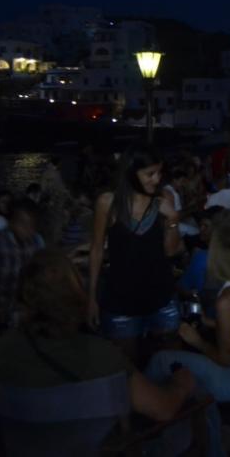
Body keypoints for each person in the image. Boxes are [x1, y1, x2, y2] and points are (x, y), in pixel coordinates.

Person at [0, 249, 197, 431]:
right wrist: (181, 384)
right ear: (75, 292)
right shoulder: (97, 354)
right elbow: (163, 409)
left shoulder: (1, 350)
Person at [146, 210, 230, 457]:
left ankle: (150, 434)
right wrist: (211, 323)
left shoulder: (228, 298)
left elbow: (225, 359)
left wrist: (196, 340)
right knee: (194, 384)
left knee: (162, 361)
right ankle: (212, 443)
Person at [87, 144, 183, 359]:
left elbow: (169, 251)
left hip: (161, 298)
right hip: (120, 300)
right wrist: (91, 298)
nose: (156, 179)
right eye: (150, 174)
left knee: (169, 364)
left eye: (159, 173)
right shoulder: (107, 203)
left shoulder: (162, 201)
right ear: (131, 172)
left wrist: (174, 220)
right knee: (127, 369)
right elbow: (96, 250)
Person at [0, 197, 46, 313]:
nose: (27, 229)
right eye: (22, 223)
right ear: (10, 222)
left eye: (31, 224)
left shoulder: (35, 243)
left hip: (22, 309)